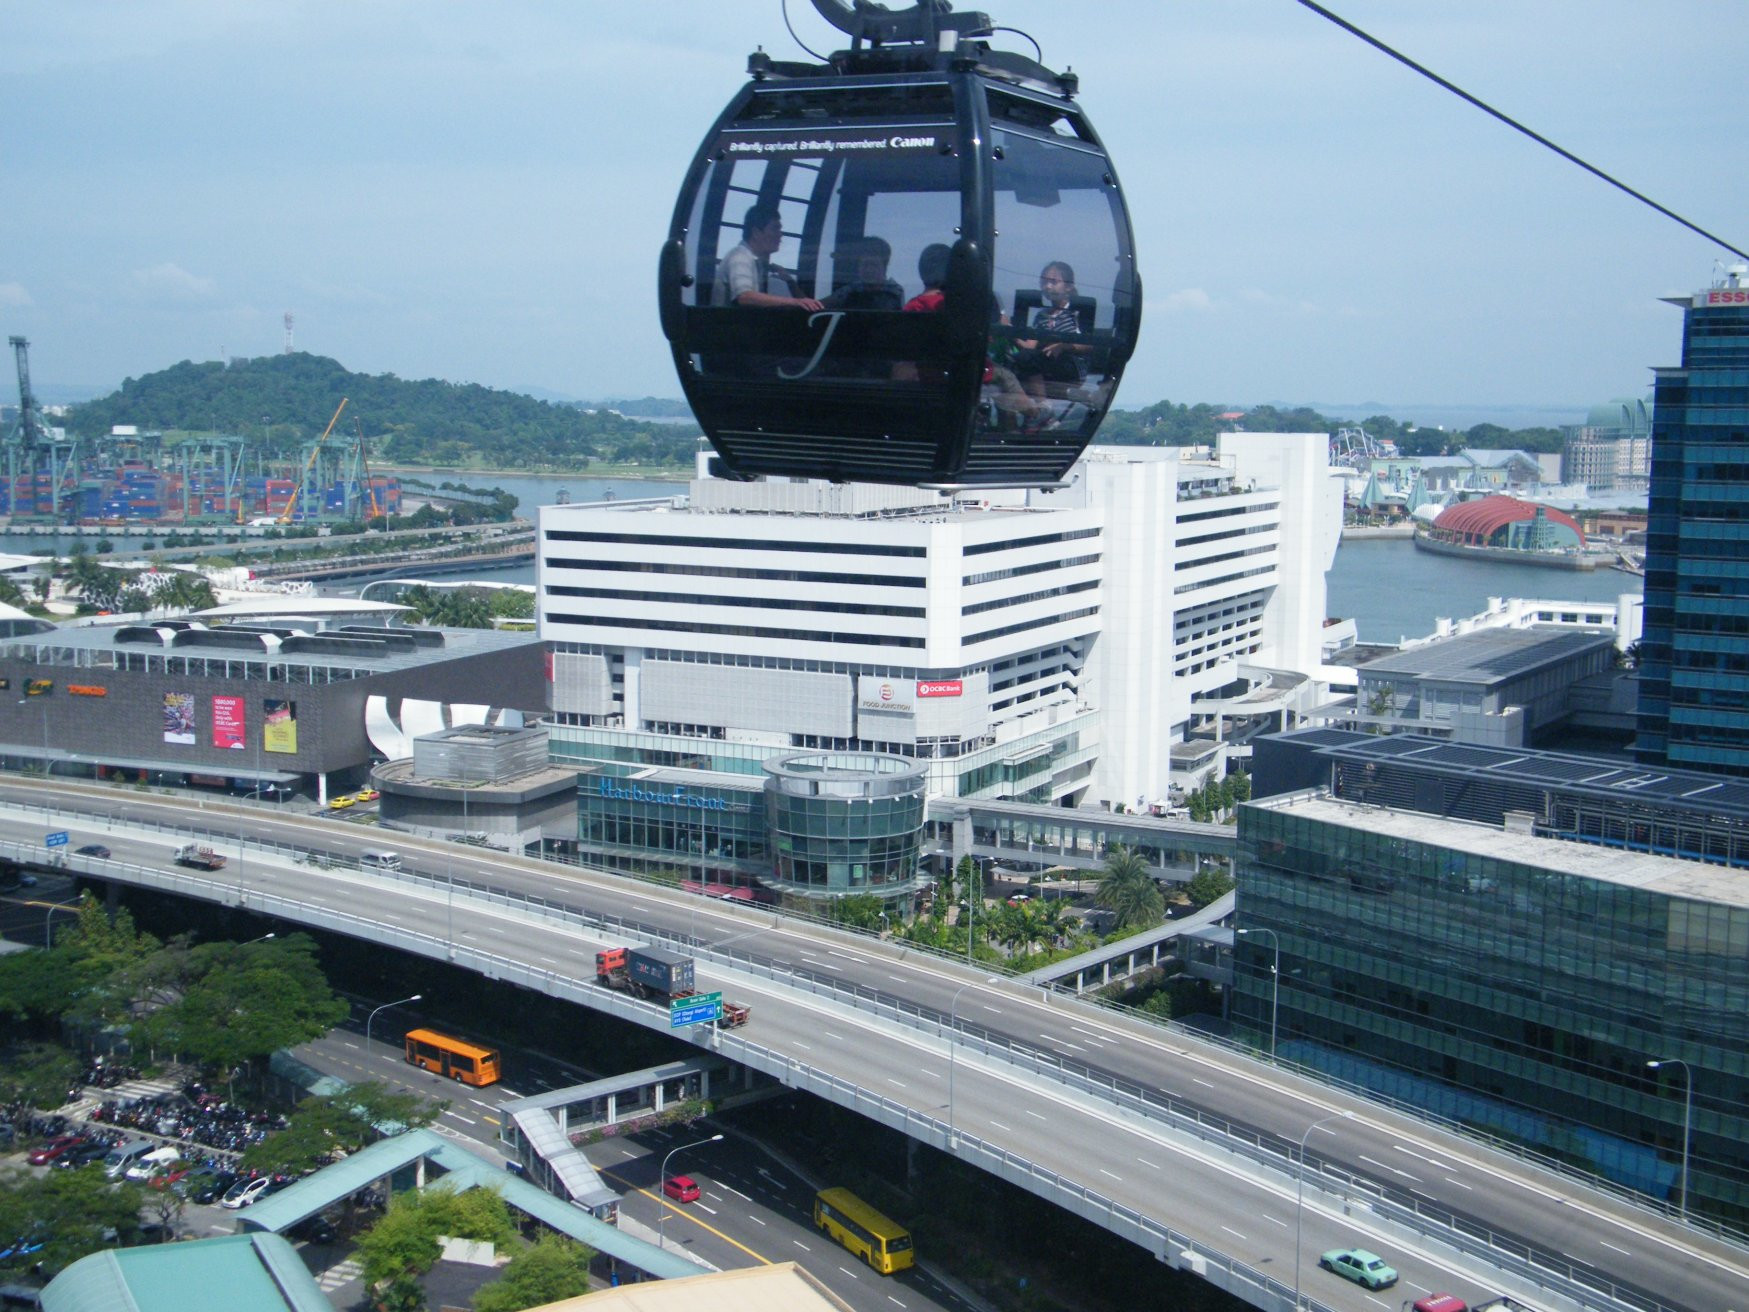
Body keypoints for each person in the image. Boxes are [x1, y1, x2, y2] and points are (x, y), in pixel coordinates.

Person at [711, 204, 824, 311]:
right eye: (775, 228)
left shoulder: (755, 262)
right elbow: (744, 296)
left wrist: (790, 281)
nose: (780, 235)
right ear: (756, 232)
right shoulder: (740, 257)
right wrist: (795, 302)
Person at [1011, 260, 1090, 402]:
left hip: (1071, 365)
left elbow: (1088, 344)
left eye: (1053, 282)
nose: (1047, 286)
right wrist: (1011, 332)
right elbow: (1029, 347)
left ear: (1068, 286)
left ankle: (1042, 406)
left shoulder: (1076, 312)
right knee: (1019, 359)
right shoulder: (1042, 316)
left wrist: (1063, 346)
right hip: (1046, 363)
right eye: (1044, 282)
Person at [823, 236, 904, 312]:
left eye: (873, 265)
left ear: (884, 267)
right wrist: (810, 302)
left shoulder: (894, 292)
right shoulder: (851, 290)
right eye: (865, 265)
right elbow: (821, 305)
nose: (869, 270)